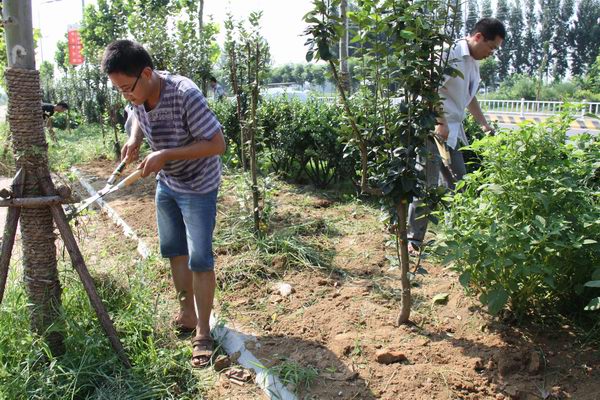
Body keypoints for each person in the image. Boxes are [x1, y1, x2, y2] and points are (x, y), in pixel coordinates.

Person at [101, 40, 226, 368]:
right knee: (174, 250)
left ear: (146, 74)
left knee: (200, 258)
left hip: (198, 186)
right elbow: (137, 112)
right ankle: (187, 313)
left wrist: (166, 154)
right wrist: (134, 138)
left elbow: (217, 144)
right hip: (168, 183)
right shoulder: (137, 94)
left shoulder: (185, 94)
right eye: (119, 90)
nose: (125, 96)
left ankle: (204, 332)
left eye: (127, 88)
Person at [407, 17, 505, 256]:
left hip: (452, 132)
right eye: (491, 47)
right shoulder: (448, 53)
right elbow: (429, 88)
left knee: (459, 182)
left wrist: (483, 125)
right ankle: (413, 240)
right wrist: (440, 121)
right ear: (478, 37)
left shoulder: (472, 63)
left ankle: (457, 236)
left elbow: (469, 97)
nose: (491, 53)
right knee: (427, 184)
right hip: (433, 129)